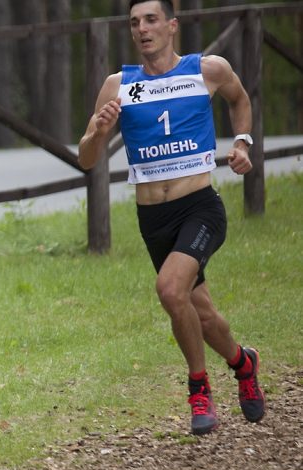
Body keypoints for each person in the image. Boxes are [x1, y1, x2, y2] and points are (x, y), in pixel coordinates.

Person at [78, 0, 265, 436]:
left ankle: (199, 388)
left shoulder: (207, 69)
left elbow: (240, 99)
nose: (142, 29)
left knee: (169, 288)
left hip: (200, 208)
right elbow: (87, 158)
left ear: (172, 26)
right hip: (154, 218)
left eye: (151, 20)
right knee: (202, 315)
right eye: (134, 23)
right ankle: (243, 362)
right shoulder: (118, 85)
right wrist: (99, 132)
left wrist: (242, 144)